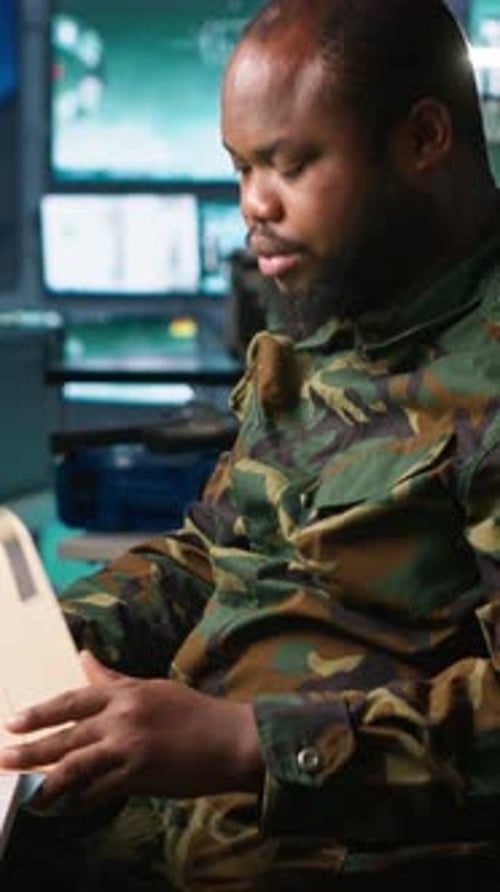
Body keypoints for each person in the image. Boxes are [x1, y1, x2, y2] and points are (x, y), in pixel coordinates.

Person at [2, 0, 500, 888]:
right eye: (240, 169)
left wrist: (242, 746)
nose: (251, 208)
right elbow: (214, 555)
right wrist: (56, 650)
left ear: (425, 138)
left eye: (289, 165)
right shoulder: (331, 319)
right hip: (162, 812)